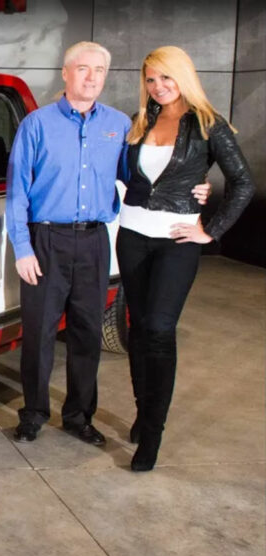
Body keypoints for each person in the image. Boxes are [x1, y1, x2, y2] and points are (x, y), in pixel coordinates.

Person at [5, 42, 210, 446]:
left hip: (96, 240)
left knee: (86, 333)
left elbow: (142, 177)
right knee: (40, 332)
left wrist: (192, 189)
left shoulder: (121, 126)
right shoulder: (37, 124)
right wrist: (23, 248)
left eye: (99, 69)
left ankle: (80, 416)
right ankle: (33, 413)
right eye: (83, 68)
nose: (92, 77)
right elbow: (18, 193)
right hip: (45, 240)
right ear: (66, 73)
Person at [117, 46, 254, 471]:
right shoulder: (142, 121)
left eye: (166, 79)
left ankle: (153, 434)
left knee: (159, 329)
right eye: (151, 80)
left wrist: (210, 230)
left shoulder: (208, 125)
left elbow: (244, 183)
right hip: (133, 234)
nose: (158, 88)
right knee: (138, 328)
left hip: (177, 241)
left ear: (184, 78)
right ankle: (143, 411)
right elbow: (129, 177)